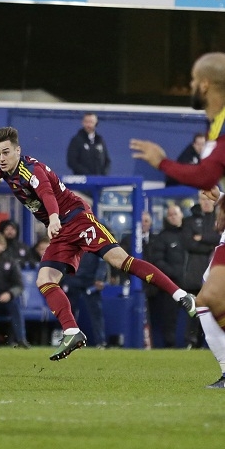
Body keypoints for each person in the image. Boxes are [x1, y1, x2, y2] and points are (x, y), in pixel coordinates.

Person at [0, 126, 195, 361]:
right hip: (62, 231)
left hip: (76, 219)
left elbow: (46, 193)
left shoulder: (31, 171)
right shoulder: (9, 169)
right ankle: (72, 331)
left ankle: (181, 295)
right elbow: (5, 171)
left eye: (6, 152)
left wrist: (53, 217)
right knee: (45, 279)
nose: (2, 158)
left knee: (121, 261)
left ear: (18, 150)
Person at [130, 51, 225, 387]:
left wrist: (162, 162)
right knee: (207, 302)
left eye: (193, 80)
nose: (190, 86)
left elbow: (204, 175)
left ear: (206, 84)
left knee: (209, 300)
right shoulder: (216, 123)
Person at [181, 192, 217, 348]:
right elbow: (188, 243)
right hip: (196, 272)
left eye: (209, 199)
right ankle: (192, 341)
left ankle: (212, 344)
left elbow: (220, 240)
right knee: (195, 309)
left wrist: (201, 238)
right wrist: (210, 246)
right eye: (203, 199)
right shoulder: (189, 221)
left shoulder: (220, 218)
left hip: (216, 273)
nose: (206, 202)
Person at [149, 205, 187, 348]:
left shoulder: (188, 235)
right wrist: (174, 273)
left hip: (191, 283)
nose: (173, 217)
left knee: (196, 315)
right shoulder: (162, 237)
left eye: (175, 214)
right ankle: (169, 345)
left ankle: (193, 344)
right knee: (169, 317)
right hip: (171, 285)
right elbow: (158, 261)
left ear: (181, 215)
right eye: (170, 215)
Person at [62, 252, 109, 348]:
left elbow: (102, 260)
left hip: (91, 281)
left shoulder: (97, 243)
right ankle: (69, 341)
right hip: (72, 279)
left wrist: (99, 278)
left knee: (96, 313)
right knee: (69, 312)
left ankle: (101, 342)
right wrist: (63, 279)